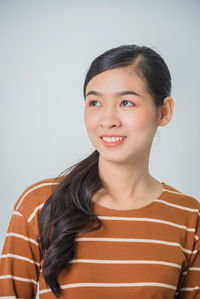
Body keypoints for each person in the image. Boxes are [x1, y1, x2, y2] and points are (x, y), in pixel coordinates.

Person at [0, 44, 199, 299]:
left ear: (164, 111)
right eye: (95, 102)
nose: (107, 120)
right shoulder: (39, 204)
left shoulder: (190, 216)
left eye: (126, 102)